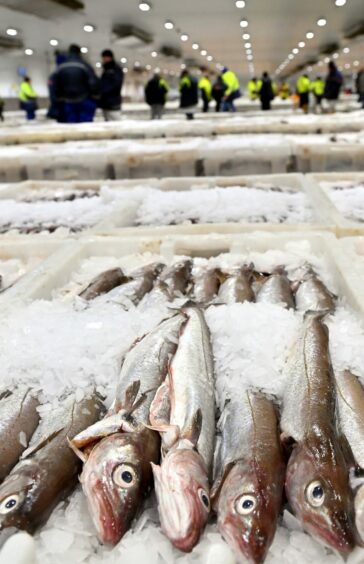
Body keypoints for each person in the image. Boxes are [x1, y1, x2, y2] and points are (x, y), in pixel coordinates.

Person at [53, 44, 100, 123]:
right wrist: (95, 95)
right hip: (84, 100)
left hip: (67, 101)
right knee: (85, 126)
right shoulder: (84, 65)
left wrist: (58, 97)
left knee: (71, 125)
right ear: (79, 53)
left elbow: (56, 84)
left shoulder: (61, 67)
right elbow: (93, 82)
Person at [99, 49, 124, 121]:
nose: (103, 60)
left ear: (109, 57)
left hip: (113, 102)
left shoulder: (115, 69)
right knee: (108, 123)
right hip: (106, 102)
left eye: (104, 58)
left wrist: (103, 92)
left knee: (116, 123)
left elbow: (116, 85)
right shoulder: (106, 69)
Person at [47, 51, 67, 120]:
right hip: (61, 108)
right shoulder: (58, 75)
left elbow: (52, 93)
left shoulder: (54, 75)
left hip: (58, 108)